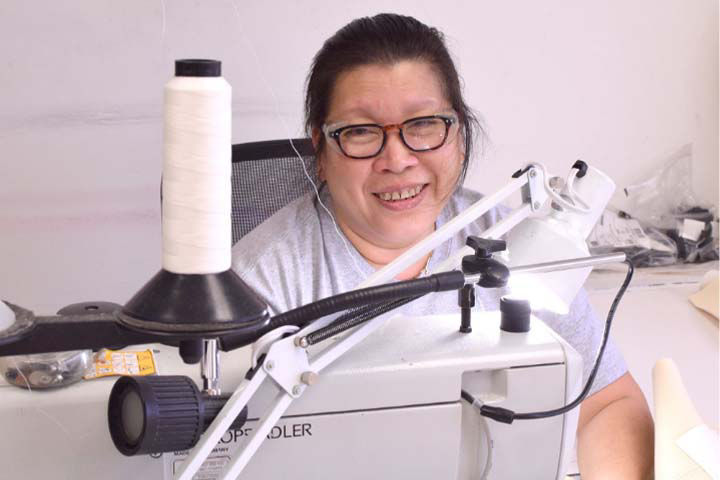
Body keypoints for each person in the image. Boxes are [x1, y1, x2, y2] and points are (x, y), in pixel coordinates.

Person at [232, 13, 653, 478]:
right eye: (361, 132)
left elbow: (608, 402)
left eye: (425, 124)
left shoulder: (513, 239)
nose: (397, 159)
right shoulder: (259, 286)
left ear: (459, 133)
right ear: (322, 152)